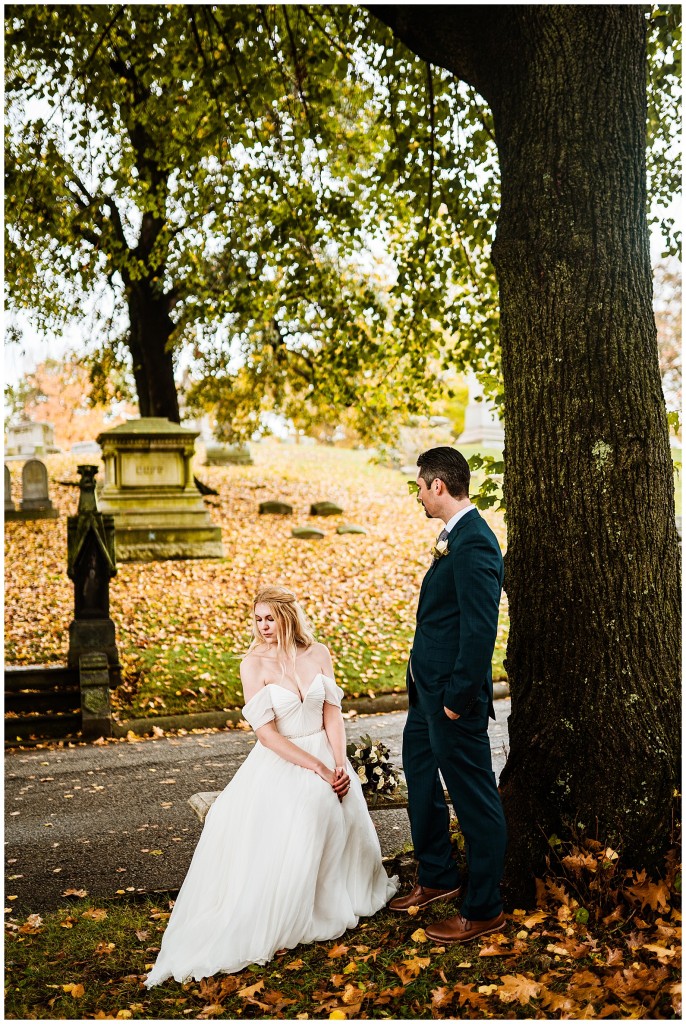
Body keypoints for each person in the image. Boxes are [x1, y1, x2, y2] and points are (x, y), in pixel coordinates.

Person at [145, 585, 398, 987]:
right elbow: (266, 735)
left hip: (326, 751)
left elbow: (332, 714)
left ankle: (338, 895)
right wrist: (318, 768)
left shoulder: (318, 653)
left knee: (341, 801)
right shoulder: (253, 664)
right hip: (284, 759)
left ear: (288, 618)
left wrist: (339, 763)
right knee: (313, 806)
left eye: (271, 618)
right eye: (258, 619)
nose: (264, 626)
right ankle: (296, 908)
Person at [389, 446, 508, 943]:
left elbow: (480, 630)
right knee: (419, 778)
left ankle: (483, 909)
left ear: (438, 486)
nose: (418, 495)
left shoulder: (475, 542)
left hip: (452, 700)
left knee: (474, 800)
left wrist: (457, 700)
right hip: (426, 694)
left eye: (420, 486)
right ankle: (437, 875)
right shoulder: (453, 536)